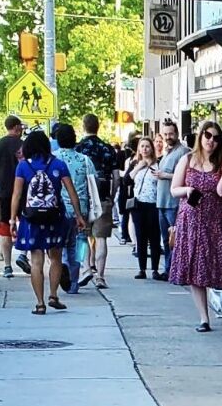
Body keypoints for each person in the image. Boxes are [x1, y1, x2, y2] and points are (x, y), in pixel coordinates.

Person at [168, 121, 222, 332]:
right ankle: (204, 318)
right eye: (208, 135)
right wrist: (188, 189)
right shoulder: (187, 160)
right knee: (195, 268)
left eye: (216, 138)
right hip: (190, 219)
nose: (211, 141)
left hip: (213, 221)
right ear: (200, 135)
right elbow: (173, 189)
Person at [10, 130, 86, 315]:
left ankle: (39, 303)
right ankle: (53, 295)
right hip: (54, 218)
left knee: (36, 261)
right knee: (56, 258)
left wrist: (13, 218)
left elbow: (17, 195)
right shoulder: (58, 164)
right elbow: (71, 192)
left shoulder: (23, 167)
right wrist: (79, 215)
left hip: (32, 220)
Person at [52, 124, 99, 294]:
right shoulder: (85, 160)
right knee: (80, 242)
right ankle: (75, 276)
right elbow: (94, 182)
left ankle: (63, 265)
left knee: (62, 244)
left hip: (58, 209)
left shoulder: (53, 159)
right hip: (82, 208)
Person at [76, 114, 119, 289]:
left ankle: (86, 268)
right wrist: (112, 195)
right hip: (102, 197)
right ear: (98, 126)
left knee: (83, 236)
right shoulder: (107, 149)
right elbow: (116, 177)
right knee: (101, 239)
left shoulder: (78, 149)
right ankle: (100, 276)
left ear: (83, 126)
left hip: (83, 198)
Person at [0, 115, 28, 277]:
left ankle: (7, 266)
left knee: (4, 229)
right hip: (24, 193)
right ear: (17, 127)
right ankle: (24, 255)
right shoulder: (25, 145)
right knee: (26, 224)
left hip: (4, 193)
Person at [155, 119, 188, 278]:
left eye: (171, 134)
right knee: (166, 240)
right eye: (165, 134)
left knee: (176, 239)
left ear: (177, 134)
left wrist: (164, 175)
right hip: (161, 202)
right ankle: (169, 269)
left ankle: (176, 270)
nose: (168, 137)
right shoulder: (166, 152)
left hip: (173, 203)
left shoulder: (183, 152)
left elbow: (187, 177)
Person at [127, 138, 163, 279]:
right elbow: (126, 181)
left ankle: (155, 268)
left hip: (153, 204)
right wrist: (138, 167)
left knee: (154, 237)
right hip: (138, 205)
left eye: (147, 146)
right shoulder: (135, 163)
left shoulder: (158, 164)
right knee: (140, 237)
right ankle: (142, 269)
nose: (145, 149)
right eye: (142, 146)